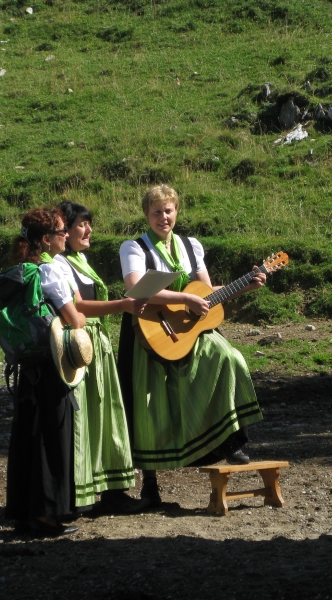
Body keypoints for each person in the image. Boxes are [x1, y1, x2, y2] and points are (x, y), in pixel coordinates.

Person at [117, 184, 266, 507]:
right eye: (156, 212)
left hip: (190, 329)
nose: (163, 217)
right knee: (150, 407)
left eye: (168, 210)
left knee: (230, 358)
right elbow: (135, 289)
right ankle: (150, 483)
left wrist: (245, 286)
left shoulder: (190, 245)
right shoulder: (133, 248)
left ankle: (230, 440)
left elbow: (207, 293)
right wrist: (185, 298)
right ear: (146, 215)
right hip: (149, 330)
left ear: (177, 211)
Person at [55, 201, 149, 514]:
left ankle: (113, 491)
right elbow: (77, 306)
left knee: (107, 413)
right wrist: (123, 305)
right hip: (79, 345)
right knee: (84, 416)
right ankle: (79, 494)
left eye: (88, 224)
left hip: (97, 343)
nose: (89, 230)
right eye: (81, 225)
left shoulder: (80, 259)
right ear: (65, 231)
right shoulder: (60, 264)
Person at [4, 207, 87, 536]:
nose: (66, 235)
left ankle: (24, 512)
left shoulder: (22, 270)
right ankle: (46, 515)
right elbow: (74, 319)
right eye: (61, 231)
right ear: (46, 239)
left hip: (28, 363)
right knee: (52, 436)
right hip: (52, 363)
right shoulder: (49, 271)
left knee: (28, 434)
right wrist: (80, 319)